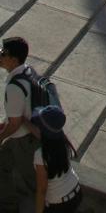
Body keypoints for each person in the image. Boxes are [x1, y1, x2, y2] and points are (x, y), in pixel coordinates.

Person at [0, 37, 38, 213]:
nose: (0, 56)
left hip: (23, 142)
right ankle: (8, 205)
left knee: (29, 183)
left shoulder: (14, 87)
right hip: (22, 136)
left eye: (4, 54)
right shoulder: (28, 72)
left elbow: (15, 124)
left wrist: (1, 136)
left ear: (14, 59)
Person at [30, 106, 80, 213]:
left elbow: (42, 190)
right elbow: (44, 135)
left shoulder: (40, 155)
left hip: (58, 205)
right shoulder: (63, 141)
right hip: (76, 192)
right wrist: (23, 121)